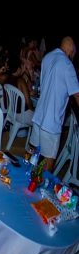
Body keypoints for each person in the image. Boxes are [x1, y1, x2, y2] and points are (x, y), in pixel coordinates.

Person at [30, 37, 79, 171]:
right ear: (71, 50)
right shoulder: (68, 65)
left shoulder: (47, 57)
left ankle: (26, 182)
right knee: (47, 164)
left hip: (39, 116)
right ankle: (39, 190)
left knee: (33, 155)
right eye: (74, 53)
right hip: (51, 123)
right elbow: (77, 95)